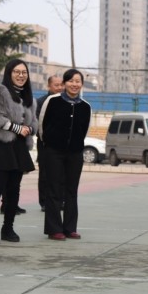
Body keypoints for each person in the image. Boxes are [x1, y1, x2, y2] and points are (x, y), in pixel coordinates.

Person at [0, 59, 37, 245]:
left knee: (14, 189)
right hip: (1, 145)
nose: (21, 75)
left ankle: (8, 228)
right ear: (9, 73)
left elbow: (33, 122)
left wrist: (29, 128)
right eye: (17, 72)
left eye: (24, 72)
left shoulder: (29, 98)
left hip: (18, 147)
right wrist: (17, 128)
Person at [38, 69, 91, 240]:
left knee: (71, 190)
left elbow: (84, 131)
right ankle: (54, 229)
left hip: (75, 154)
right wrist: (50, 143)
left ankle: (70, 228)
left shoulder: (85, 106)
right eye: (71, 81)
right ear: (65, 83)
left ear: (81, 84)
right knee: (53, 189)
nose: (74, 84)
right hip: (53, 151)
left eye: (78, 81)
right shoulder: (52, 101)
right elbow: (42, 126)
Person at [36, 75, 64, 212]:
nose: (60, 88)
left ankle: (59, 200)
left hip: (62, 144)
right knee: (45, 174)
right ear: (49, 86)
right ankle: (44, 202)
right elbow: (37, 124)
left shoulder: (66, 101)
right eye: (56, 85)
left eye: (61, 85)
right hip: (45, 143)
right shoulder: (41, 102)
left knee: (61, 173)